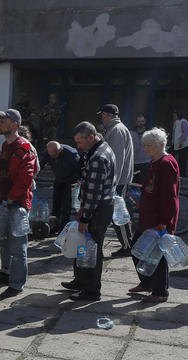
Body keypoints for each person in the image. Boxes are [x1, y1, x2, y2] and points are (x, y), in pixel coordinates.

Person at [60, 122, 115, 301]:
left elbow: (94, 193)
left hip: (98, 210)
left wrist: (85, 217)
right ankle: (80, 280)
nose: (78, 146)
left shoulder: (99, 157)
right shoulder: (99, 149)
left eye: (80, 142)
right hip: (93, 207)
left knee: (92, 249)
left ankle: (92, 289)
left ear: (91, 137)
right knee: (82, 245)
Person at [0, 108, 38, 296]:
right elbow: (0, 173)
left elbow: (26, 177)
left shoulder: (24, 147)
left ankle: (17, 283)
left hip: (18, 205)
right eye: (0, 119)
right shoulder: (5, 146)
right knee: (4, 240)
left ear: (15, 125)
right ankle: (5, 272)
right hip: (5, 201)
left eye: (4, 119)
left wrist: (11, 197)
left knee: (18, 246)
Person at [128, 127, 180, 303]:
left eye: (149, 145)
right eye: (144, 145)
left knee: (157, 255)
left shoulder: (166, 163)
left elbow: (169, 196)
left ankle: (160, 291)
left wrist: (165, 222)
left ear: (160, 144)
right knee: (136, 248)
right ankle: (146, 282)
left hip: (159, 220)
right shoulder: (155, 162)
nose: (145, 149)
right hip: (147, 217)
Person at [98, 104, 134, 256]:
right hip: (117, 180)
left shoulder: (117, 130)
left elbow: (117, 159)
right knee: (117, 214)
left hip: (117, 181)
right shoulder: (115, 129)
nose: (101, 118)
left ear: (107, 115)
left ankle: (128, 246)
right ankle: (127, 244)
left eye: (102, 115)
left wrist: (112, 183)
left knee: (119, 215)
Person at [41, 140, 81, 230]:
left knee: (67, 206)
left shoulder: (71, 154)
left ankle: (64, 228)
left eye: (54, 155)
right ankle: (54, 226)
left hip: (70, 181)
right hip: (59, 179)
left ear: (59, 151)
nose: (52, 157)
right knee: (56, 204)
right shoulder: (49, 152)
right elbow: (41, 164)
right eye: (50, 154)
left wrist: (79, 179)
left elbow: (80, 167)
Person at [171, 110, 188, 178]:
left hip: (184, 144)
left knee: (182, 159)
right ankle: (174, 171)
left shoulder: (183, 121)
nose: (173, 116)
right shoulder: (176, 122)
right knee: (172, 154)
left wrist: (182, 142)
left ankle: (182, 174)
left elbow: (185, 132)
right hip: (178, 144)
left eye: (175, 115)